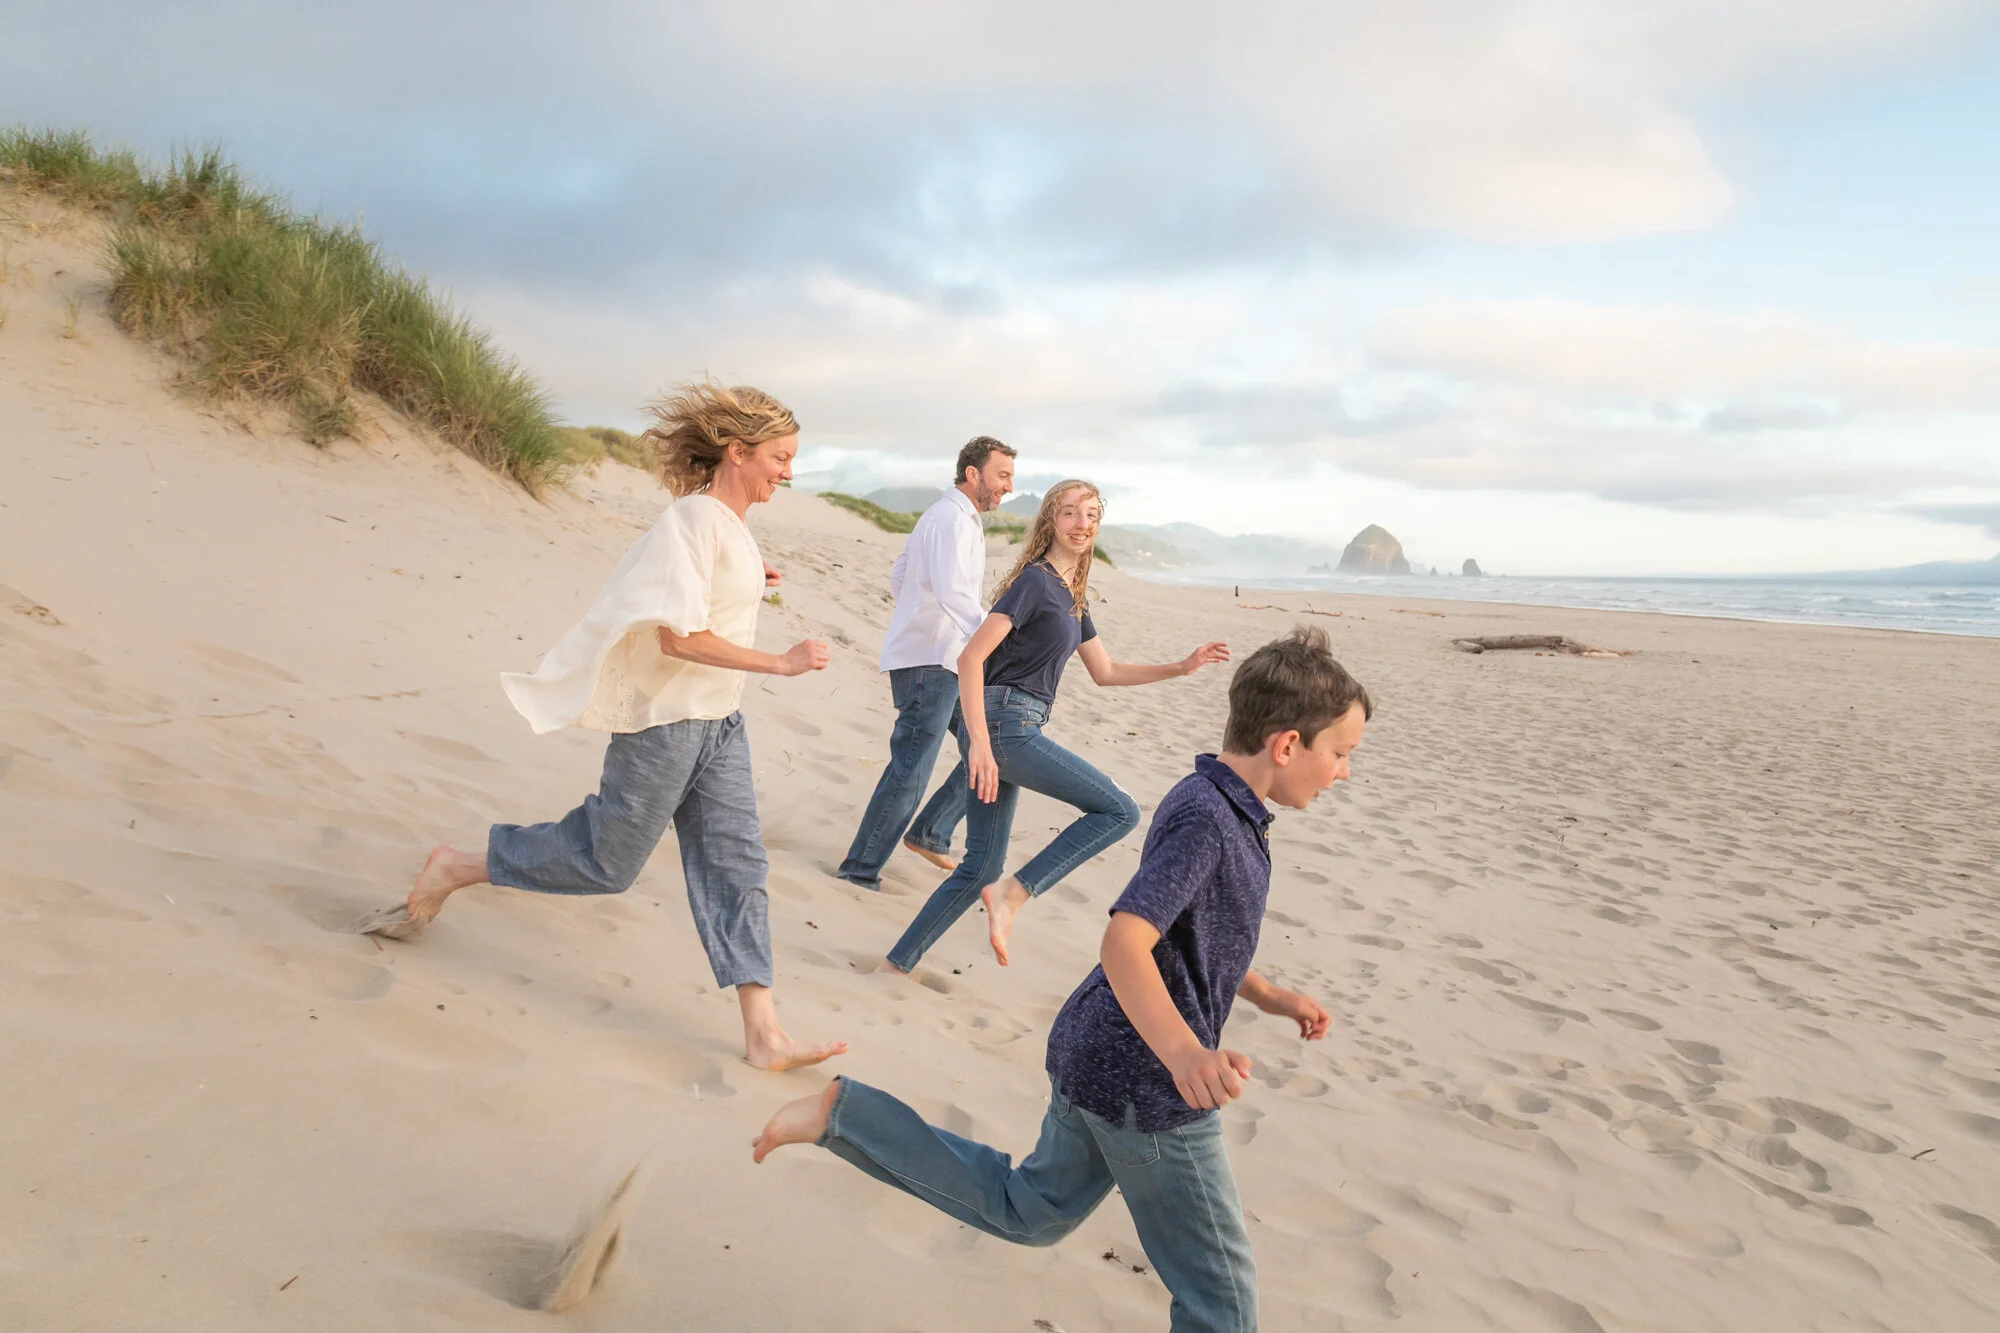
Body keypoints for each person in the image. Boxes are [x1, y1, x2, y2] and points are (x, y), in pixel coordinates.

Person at [753, 627, 1372, 1333]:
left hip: (1096, 1052)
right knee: (1221, 1307)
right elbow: (1124, 941)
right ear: (1288, 744)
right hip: (1147, 1084)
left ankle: (848, 1114)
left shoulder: (1214, 799)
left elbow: (1188, 936)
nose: (1343, 772)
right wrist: (1185, 1053)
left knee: (1029, 1209)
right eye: (1341, 753)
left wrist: (1267, 994)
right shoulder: (1209, 820)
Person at [384, 382, 845, 1072]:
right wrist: (779, 662)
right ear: (738, 450)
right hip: (665, 727)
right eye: (780, 457)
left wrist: (752, 575)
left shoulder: (729, 530)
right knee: (605, 862)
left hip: (719, 725)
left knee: (738, 865)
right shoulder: (692, 519)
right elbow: (679, 638)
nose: (788, 471)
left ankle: (763, 1033)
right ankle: (458, 865)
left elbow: (709, 595)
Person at [883, 479, 1228, 975]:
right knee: (1119, 811)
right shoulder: (1034, 582)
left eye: (1090, 515)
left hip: (1012, 726)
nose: (1081, 524)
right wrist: (979, 743)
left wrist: (1180, 666)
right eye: (1069, 513)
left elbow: (1105, 673)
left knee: (979, 864)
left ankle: (898, 963)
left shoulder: (1072, 597)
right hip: (1006, 725)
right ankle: (1015, 893)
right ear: (1050, 521)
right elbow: (971, 656)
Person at [835, 436, 1017, 889]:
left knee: (995, 744)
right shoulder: (951, 520)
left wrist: (921, 619)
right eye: (1002, 476)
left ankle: (931, 832)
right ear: (973, 473)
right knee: (912, 769)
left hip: (942, 657)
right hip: (931, 664)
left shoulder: (953, 519)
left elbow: (902, 576)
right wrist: (995, 639)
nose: (1008, 487)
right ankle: (860, 870)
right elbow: (954, 593)